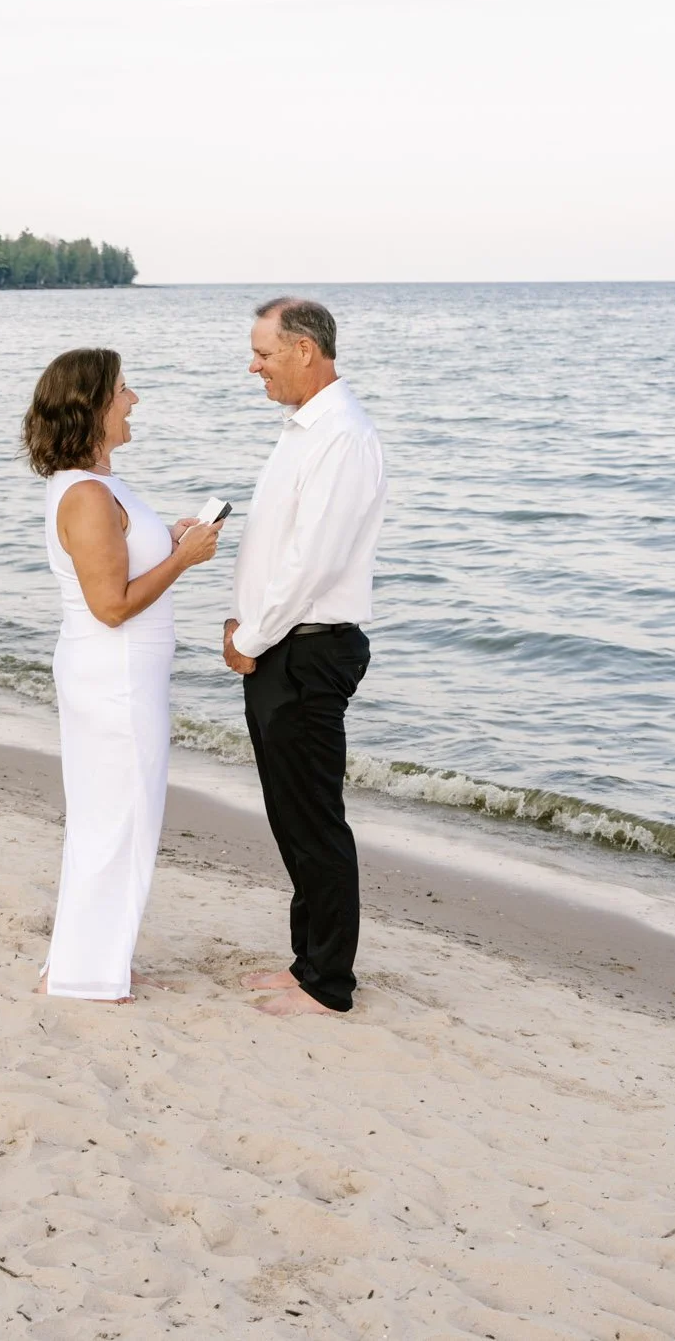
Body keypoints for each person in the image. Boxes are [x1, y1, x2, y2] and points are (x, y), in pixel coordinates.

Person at [22, 348, 220, 1002]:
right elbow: (111, 605)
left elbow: (120, 555)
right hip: (115, 680)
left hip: (115, 676)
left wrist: (169, 535)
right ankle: (87, 974)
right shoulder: (84, 494)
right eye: (125, 390)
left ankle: (86, 963)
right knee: (119, 822)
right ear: (94, 406)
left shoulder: (96, 486)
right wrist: (184, 559)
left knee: (110, 818)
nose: (134, 400)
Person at [222, 298, 388, 1018]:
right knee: (291, 817)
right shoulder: (301, 432)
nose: (252, 365)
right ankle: (306, 962)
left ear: (304, 352)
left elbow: (313, 564)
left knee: (315, 819)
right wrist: (246, 620)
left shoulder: (342, 438)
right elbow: (280, 549)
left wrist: (251, 637)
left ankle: (328, 982)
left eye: (263, 353)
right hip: (279, 644)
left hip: (307, 651)